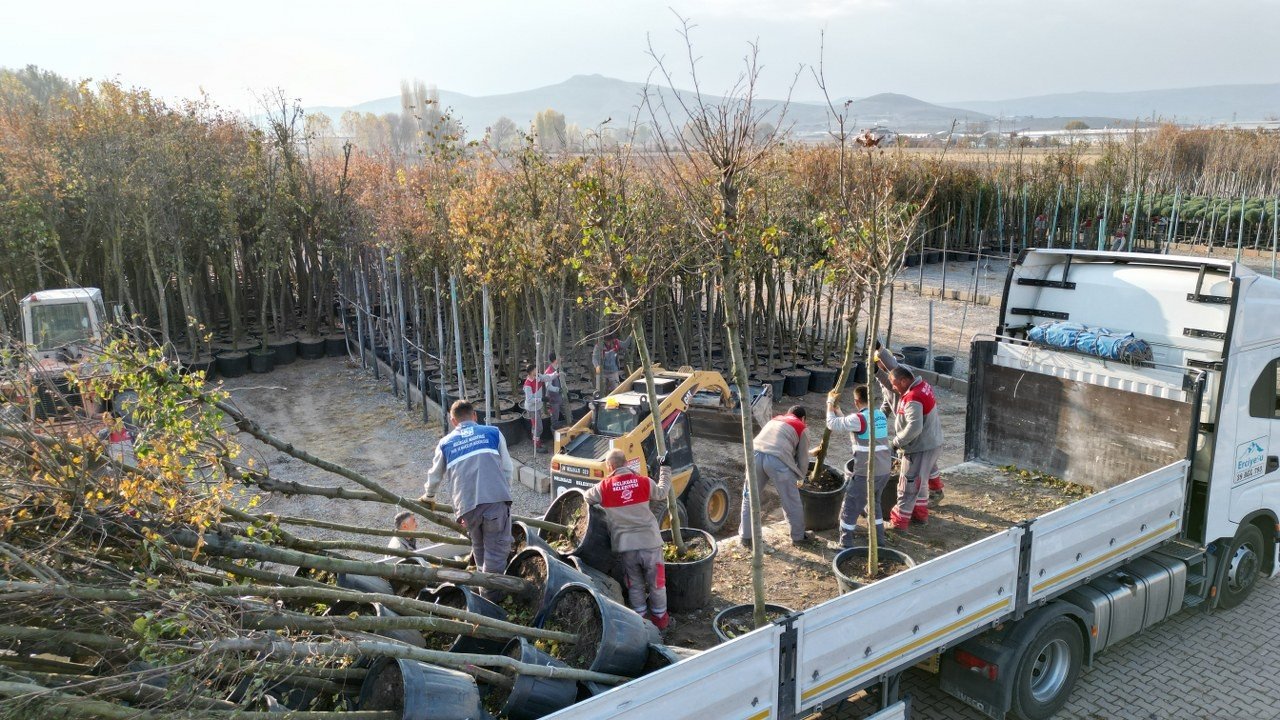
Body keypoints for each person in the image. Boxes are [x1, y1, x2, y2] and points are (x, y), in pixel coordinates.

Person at [424, 400, 515, 592]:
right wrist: (503, 493)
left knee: (479, 545)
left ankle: (482, 588)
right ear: (475, 416)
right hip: (494, 502)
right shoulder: (493, 433)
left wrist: (429, 496)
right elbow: (507, 469)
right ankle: (491, 600)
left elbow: (434, 475)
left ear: (453, 421)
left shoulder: (445, 443)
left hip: (466, 507)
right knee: (496, 552)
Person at [584, 449, 673, 631]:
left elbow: (586, 497)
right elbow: (663, 491)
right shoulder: (644, 482)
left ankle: (640, 621)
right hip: (650, 544)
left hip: (626, 547)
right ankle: (660, 619)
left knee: (634, 584)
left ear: (610, 467)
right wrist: (665, 468)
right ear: (626, 464)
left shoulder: (604, 487)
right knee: (657, 584)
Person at [875, 346, 944, 502]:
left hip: (918, 433)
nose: (879, 365)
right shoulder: (892, 382)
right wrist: (879, 418)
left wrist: (879, 350)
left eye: (879, 362)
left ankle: (921, 502)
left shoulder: (901, 377)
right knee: (928, 462)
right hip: (919, 435)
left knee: (919, 470)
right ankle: (937, 489)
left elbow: (892, 368)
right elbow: (887, 401)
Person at [741, 405, 815, 548]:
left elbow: (778, 444)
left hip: (754, 455)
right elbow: (803, 459)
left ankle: (746, 537)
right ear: (803, 418)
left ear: (788, 413)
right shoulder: (801, 427)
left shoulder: (775, 420)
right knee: (791, 499)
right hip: (777, 461)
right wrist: (800, 477)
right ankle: (799, 538)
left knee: (750, 496)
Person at [827, 385, 891, 547]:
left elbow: (832, 424)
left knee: (850, 507)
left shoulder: (859, 419)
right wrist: (838, 410)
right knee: (874, 504)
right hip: (884, 470)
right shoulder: (880, 415)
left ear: (856, 401)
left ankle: (845, 544)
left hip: (866, 472)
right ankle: (879, 540)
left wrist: (829, 404)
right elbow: (851, 425)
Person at [886, 367, 943, 532]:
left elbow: (914, 427)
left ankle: (899, 524)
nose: (893, 388)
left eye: (894, 384)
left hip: (920, 448)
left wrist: (896, 442)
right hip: (931, 444)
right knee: (921, 482)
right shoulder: (922, 385)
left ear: (904, 381)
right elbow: (894, 366)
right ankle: (920, 515)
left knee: (908, 486)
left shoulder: (913, 397)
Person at [522, 364, 545, 450]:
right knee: (538, 427)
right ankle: (537, 445)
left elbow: (546, 377)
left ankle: (535, 439)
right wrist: (541, 399)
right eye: (536, 369)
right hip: (532, 408)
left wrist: (555, 374)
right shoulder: (528, 385)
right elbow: (529, 399)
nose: (537, 370)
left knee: (535, 426)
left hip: (537, 407)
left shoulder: (537, 377)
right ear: (532, 372)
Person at [543, 352, 566, 430]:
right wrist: (558, 390)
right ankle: (555, 435)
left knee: (567, 413)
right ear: (555, 360)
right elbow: (548, 386)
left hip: (561, 397)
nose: (561, 358)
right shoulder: (548, 372)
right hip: (553, 399)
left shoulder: (559, 368)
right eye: (559, 357)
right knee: (555, 418)